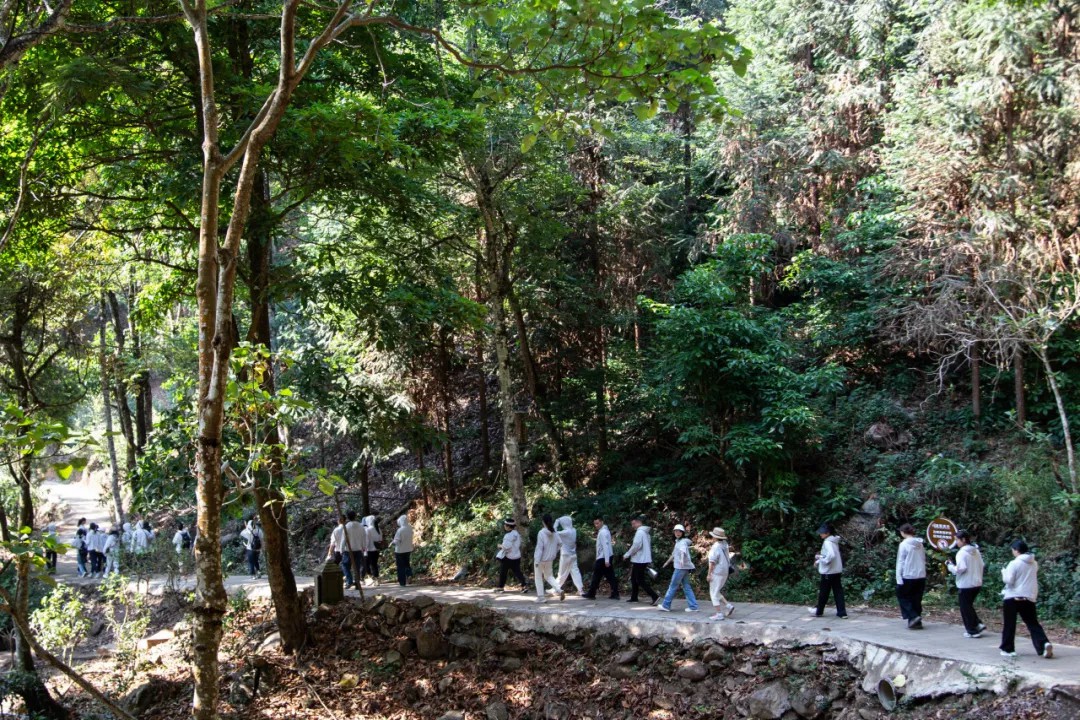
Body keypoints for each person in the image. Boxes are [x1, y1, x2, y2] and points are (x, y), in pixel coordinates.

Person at [999, 540, 1052, 659]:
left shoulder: (1014, 563)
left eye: (1013, 550)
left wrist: (1004, 572)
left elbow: (1009, 580)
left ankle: (1008, 649)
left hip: (1013, 597)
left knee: (1009, 624)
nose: (1012, 552)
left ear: (1016, 550)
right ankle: (1044, 644)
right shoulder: (1034, 563)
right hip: (1028, 596)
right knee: (1032, 623)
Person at [947, 529, 986, 638]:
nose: (956, 543)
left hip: (965, 584)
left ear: (963, 540)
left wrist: (950, 567)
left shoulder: (962, 553)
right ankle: (978, 624)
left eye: (957, 540)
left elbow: (961, 569)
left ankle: (972, 630)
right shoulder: (975, 551)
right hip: (977, 582)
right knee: (968, 606)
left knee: (965, 607)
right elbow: (982, 565)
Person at [808, 522, 847, 619]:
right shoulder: (834, 541)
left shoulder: (827, 542)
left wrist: (820, 561)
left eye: (822, 532)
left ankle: (819, 612)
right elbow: (831, 555)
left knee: (823, 593)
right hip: (836, 571)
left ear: (827, 533)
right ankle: (842, 613)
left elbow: (831, 555)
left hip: (828, 572)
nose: (820, 534)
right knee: (838, 592)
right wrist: (820, 557)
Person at [660, 524, 699, 612]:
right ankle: (693, 606)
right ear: (674, 532)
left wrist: (681, 560)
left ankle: (666, 605)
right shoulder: (678, 541)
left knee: (673, 586)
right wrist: (666, 563)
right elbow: (673, 554)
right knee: (686, 586)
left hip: (680, 567)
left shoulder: (682, 542)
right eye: (676, 531)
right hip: (684, 567)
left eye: (679, 531)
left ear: (682, 533)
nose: (677, 533)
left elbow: (682, 551)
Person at [895, 523, 927, 629]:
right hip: (921, 574)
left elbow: (901, 561)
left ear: (903, 532)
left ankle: (914, 616)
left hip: (908, 574)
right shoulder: (920, 543)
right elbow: (923, 558)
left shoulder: (904, 544)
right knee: (916, 599)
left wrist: (898, 576)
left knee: (903, 596)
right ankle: (915, 622)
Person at [623, 515, 659, 605]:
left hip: (640, 559)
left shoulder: (640, 532)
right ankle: (634, 597)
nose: (633, 526)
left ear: (639, 522)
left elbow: (636, 546)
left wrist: (627, 554)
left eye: (634, 523)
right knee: (634, 579)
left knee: (639, 580)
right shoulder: (646, 533)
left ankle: (655, 596)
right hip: (641, 559)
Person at [582, 515, 619, 600]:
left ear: (602, 522)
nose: (596, 525)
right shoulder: (606, 531)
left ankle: (592, 593)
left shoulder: (602, 532)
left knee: (597, 576)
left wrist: (606, 560)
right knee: (610, 576)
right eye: (595, 523)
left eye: (597, 523)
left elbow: (605, 546)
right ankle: (615, 593)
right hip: (607, 556)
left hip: (603, 557)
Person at [706, 527, 735, 620]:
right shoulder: (725, 544)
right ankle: (728, 606)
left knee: (713, 594)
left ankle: (719, 614)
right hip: (725, 571)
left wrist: (709, 574)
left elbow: (712, 562)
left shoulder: (715, 547)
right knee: (716, 591)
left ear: (714, 537)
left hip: (717, 572)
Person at [494, 518, 529, 593]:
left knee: (503, 572)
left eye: (505, 525)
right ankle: (524, 586)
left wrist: (499, 546)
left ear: (508, 526)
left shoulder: (508, 536)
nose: (504, 526)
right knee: (517, 572)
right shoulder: (516, 533)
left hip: (508, 557)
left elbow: (506, 547)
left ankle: (500, 587)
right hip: (516, 556)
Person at [534, 514, 563, 603]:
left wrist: (537, 560)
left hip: (541, 559)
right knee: (549, 576)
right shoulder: (555, 533)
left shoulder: (541, 533)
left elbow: (539, 548)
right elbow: (560, 544)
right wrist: (554, 552)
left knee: (538, 577)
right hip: (550, 559)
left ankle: (541, 597)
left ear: (543, 522)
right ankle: (559, 590)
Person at [554, 515, 584, 596]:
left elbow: (553, 532)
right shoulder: (574, 530)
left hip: (565, 555)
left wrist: (557, 522)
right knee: (575, 572)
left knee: (561, 573)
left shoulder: (565, 532)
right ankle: (580, 589)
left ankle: (556, 589)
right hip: (573, 555)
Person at [327, 515, 354, 587]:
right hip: (347, 550)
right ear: (345, 521)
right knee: (347, 566)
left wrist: (329, 552)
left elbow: (332, 543)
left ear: (338, 521)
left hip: (338, 551)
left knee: (337, 565)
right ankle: (346, 578)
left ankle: (338, 579)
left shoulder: (336, 530)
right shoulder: (348, 529)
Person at [343, 511, 367, 590]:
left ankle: (349, 581)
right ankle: (357, 583)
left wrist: (341, 549)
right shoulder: (360, 526)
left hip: (348, 550)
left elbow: (344, 539)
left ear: (347, 517)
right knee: (356, 567)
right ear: (355, 516)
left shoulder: (346, 526)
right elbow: (364, 537)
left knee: (346, 565)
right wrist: (364, 546)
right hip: (358, 549)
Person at [391, 514, 414, 586]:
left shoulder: (400, 530)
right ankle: (409, 574)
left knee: (400, 566)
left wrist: (393, 542)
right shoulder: (410, 528)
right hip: (408, 549)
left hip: (400, 551)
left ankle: (402, 582)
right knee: (407, 563)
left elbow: (397, 541)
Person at [362, 515, 382, 585]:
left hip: (369, 550)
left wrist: (364, 549)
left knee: (368, 565)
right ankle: (376, 579)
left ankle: (372, 578)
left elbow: (366, 541)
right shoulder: (378, 529)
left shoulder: (368, 529)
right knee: (374, 564)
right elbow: (380, 539)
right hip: (376, 550)